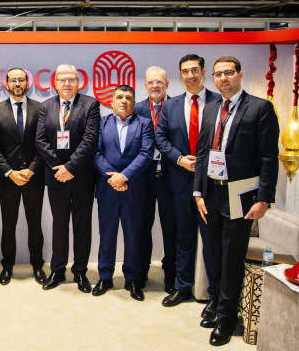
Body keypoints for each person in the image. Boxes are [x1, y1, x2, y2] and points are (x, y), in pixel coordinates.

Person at [194, 56, 278, 346]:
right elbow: (203, 153)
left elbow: (269, 157)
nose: (223, 78)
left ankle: (227, 319)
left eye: (229, 72)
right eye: (218, 74)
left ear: (240, 75)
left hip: (240, 194)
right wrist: (198, 192)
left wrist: (264, 198)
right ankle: (218, 302)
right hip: (211, 192)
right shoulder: (211, 108)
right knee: (215, 253)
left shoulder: (260, 108)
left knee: (232, 257)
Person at [155, 54, 218, 313]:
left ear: (203, 71)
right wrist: (179, 159)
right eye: (185, 71)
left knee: (212, 241)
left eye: (194, 70)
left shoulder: (219, 101)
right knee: (183, 237)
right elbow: (160, 137)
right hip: (180, 181)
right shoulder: (171, 105)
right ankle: (182, 287)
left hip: (212, 183)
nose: (190, 75)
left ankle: (214, 295)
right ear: (180, 75)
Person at [35, 64, 100, 293]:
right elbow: (40, 140)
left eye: (71, 79)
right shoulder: (46, 106)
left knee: (82, 225)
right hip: (56, 177)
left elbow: (90, 140)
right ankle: (57, 270)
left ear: (79, 82)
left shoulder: (90, 104)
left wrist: (70, 167)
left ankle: (80, 271)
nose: (67, 83)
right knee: (59, 224)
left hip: (82, 176)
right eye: (62, 79)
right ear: (55, 83)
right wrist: (58, 167)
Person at [92, 85, 154, 300]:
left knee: (133, 236)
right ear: (111, 102)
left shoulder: (144, 123)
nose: (124, 101)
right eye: (119, 97)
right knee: (107, 235)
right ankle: (105, 277)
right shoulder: (102, 123)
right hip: (108, 189)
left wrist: (125, 176)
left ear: (134, 103)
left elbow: (146, 154)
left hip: (133, 189)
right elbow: (96, 153)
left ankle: (132, 279)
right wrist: (113, 178)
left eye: (128, 98)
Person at [0, 67, 46, 285]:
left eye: (21, 80)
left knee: (35, 223)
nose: (17, 84)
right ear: (6, 84)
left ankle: (37, 265)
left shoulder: (40, 108)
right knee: (8, 224)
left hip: (33, 176)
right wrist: (9, 171)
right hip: (8, 178)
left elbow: (43, 143)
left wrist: (32, 169)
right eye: (13, 80)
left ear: (27, 83)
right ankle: (7, 266)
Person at [133, 66, 176, 293]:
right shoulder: (137, 109)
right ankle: (141, 272)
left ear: (167, 84)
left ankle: (171, 273)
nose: (155, 86)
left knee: (171, 228)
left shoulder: (177, 107)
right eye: (151, 82)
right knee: (142, 226)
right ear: (145, 85)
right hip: (144, 176)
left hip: (171, 176)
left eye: (159, 82)